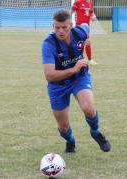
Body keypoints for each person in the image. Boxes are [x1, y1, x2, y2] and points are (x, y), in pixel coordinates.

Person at [41, 9, 111, 153]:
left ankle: (95, 132)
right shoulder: (48, 44)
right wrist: (74, 68)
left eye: (64, 27)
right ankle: (70, 141)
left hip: (79, 78)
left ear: (71, 25)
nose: (60, 31)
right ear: (53, 26)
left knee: (89, 108)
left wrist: (91, 20)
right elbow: (49, 76)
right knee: (63, 126)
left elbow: (86, 24)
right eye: (56, 27)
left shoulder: (81, 31)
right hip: (58, 85)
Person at [70, 0, 97, 65]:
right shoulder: (77, 2)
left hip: (86, 27)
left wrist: (93, 17)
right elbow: (71, 12)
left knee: (87, 42)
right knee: (80, 43)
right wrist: (67, 20)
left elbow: (92, 13)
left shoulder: (90, 3)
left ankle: (89, 60)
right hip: (79, 26)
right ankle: (77, 59)